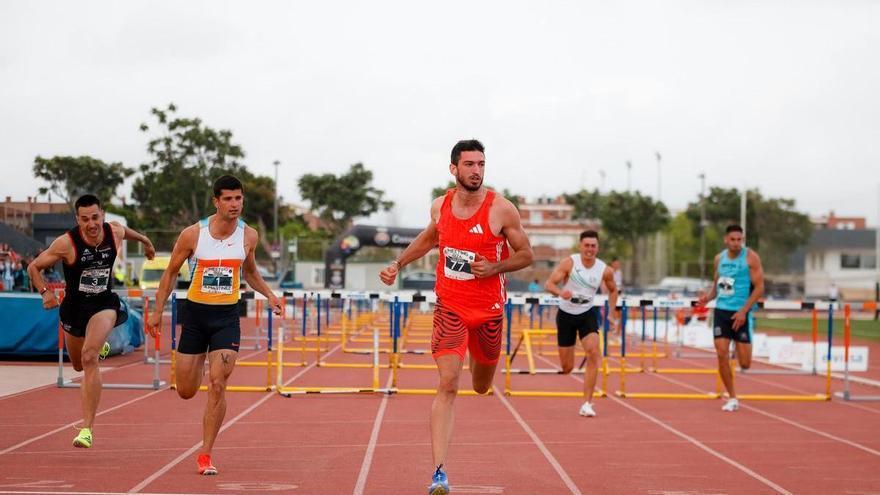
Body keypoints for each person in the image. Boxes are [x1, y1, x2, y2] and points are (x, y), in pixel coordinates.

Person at [379, 139, 533, 495]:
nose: (477, 171)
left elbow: (526, 254)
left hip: (489, 312)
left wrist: (494, 267)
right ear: (454, 169)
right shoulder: (440, 206)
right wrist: (398, 263)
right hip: (450, 308)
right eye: (469, 164)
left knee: (481, 386)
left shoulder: (501, 209)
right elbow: (428, 239)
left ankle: (479, 362)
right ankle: (439, 473)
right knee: (448, 382)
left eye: (481, 164)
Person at [147, 175, 282, 476]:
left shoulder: (249, 236)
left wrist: (270, 294)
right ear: (216, 202)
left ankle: (205, 454)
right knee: (185, 390)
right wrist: (157, 311)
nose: (235, 204)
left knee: (218, 383)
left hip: (226, 319)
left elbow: (250, 272)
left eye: (239, 198)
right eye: (228, 199)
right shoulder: (193, 234)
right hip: (195, 317)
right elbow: (170, 273)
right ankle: (197, 364)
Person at [27, 194, 155, 448]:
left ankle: (87, 428)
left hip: (103, 305)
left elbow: (126, 231)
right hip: (74, 309)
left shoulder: (113, 232)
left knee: (89, 358)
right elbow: (33, 267)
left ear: (102, 215)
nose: (91, 224)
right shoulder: (66, 243)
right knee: (78, 365)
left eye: (95, 217)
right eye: (85, 219)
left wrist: (146, 241)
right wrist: (45, 292)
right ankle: (98, 346)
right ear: (78, 219)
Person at [544, 230, 617, 417]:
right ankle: (569, 358)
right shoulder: (569, 263)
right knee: (567, 367)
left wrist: (610, 314)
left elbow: (613, 290)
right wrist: (560, 293)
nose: (590, 249)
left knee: (593, 353)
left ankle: (587, 404)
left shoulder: (604, 269)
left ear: (598, 248)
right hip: (566, 315)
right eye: (587, 245)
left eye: (593, 246)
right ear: (580, 246)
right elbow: (549, 284)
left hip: (587, 314)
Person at [699, 224, 764, 412]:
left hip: (741, 313)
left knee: (745, 364)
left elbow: (760, 288)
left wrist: (744, 311)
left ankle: (739, 345)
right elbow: (717, 285)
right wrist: (707, 298)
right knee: (721, 354)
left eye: (739, 240)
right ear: (726, 240)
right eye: (733, 239)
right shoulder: (719, 259)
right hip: (722, 311)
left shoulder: (750, 257)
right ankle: (732, 397)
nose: (736, 243)